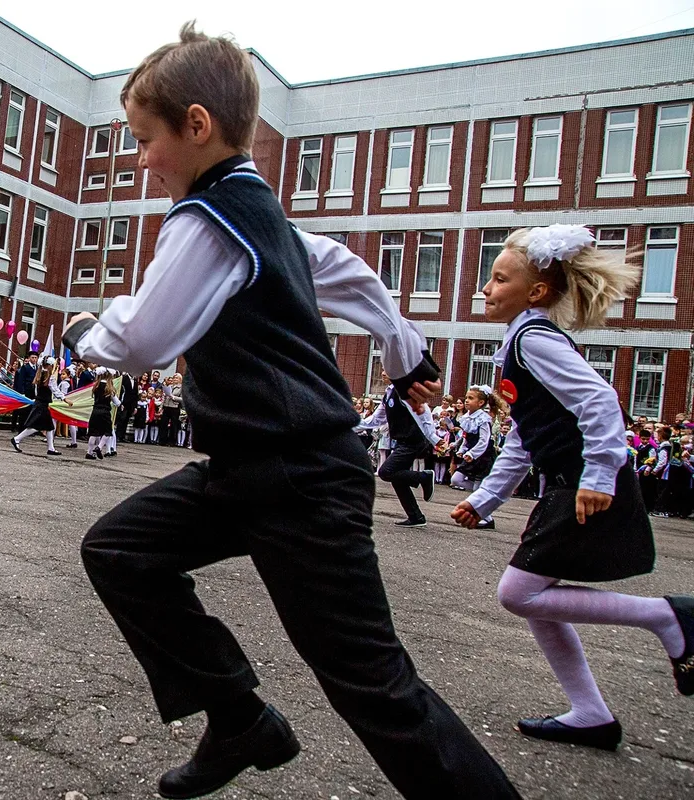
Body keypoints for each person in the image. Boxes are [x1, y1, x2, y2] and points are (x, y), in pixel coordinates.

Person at [62, 25, 519, 800]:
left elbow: (141, 339)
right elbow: (352, 271)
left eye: (145, 140)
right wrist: (405, 353)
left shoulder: (207, 218)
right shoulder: (263, 216)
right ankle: (240, 719)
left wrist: (85, 333)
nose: (141, 160)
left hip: (303, 479)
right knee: (120, 551)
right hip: (246, 472)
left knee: (372, 684)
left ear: (197, 125)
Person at [451, 224, 693, 752]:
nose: (486, 289)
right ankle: (590, 713)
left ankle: (669, 616)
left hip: (582, 487)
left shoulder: (534, 339)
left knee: (520, 594)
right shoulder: (522, 340)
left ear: (536, 292)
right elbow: (524, 435)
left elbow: (601, 402)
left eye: (498, 278)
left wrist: (599, 477)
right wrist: (485, 498)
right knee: (537, 599)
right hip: (567, 485)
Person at [357, 372, 439, 526]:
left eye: (387, 369)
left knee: (386, 471)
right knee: (396, 477)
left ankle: (424, 477)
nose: (382, 373)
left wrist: (435, 439)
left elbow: (425, 413)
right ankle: (416, 517)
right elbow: (375, 419)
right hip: (403, 441)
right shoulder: (389, 394)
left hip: (413, 440)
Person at [449, 384, 503, 529]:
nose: (466, 401)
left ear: (480, 403)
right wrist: (461, 450)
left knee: (478, 488)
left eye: (470, 398)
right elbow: (466, 438)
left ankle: (488, 519)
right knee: (456, 479)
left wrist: (472, 453)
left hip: (483, 456)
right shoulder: (467, 418)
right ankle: (480, 496)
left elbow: (484, 441)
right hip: (472, 455)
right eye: (466, 398)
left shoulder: (483, 419)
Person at [11, 356, 69, 455]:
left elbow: (36, 390)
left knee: (49, 426)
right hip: (42, 404)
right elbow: (55, 390)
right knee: (36, 426)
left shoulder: (39, 374)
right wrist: (64, 398)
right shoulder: (50, 377)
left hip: (40, 403)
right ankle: (17, 439)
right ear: (51, 365)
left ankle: (51, 448)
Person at [85, 370, 119, 459]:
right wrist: (119, 404)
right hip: (105, 412)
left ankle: (89, 452)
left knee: (93, 432)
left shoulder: (96, 386)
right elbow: (117, 402)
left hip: (95, 410)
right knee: (107, 431)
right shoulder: (109, 388)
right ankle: (99, 447)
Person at [11, 352, 39, 431]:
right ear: (29, 358)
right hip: (26, 391)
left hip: (34, 392)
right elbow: (21, 380)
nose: (34, 359)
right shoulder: (25, 367)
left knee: (31, 411)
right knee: (24, 411)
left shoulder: (37, 368)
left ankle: (28, 428)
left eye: (35, 358)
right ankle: (21, 428)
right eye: (32, 357)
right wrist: (22, 392)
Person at [160, 374, 183, 444]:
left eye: (176, 378)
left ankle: (172, 441)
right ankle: (162, 440)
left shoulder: (181, 388)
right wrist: (161, 407)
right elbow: (164, 397)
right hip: (166, 406)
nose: (174, 379)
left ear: (180, 379)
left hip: (174, 407)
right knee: (163, 423)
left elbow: (183, 399)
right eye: (174, 378)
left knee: (174, 425)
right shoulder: (169, 386)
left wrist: (173, 397)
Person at [117, 370, 137, 445]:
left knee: (126, 420)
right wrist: (120, 402)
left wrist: (135, 406)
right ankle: (118, 435)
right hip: (124, 402)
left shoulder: (135, 380)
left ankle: (122, 436)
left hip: (130, 404)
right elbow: (120, 390)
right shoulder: (124, 378)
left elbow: (135, 394)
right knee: (122, 419)